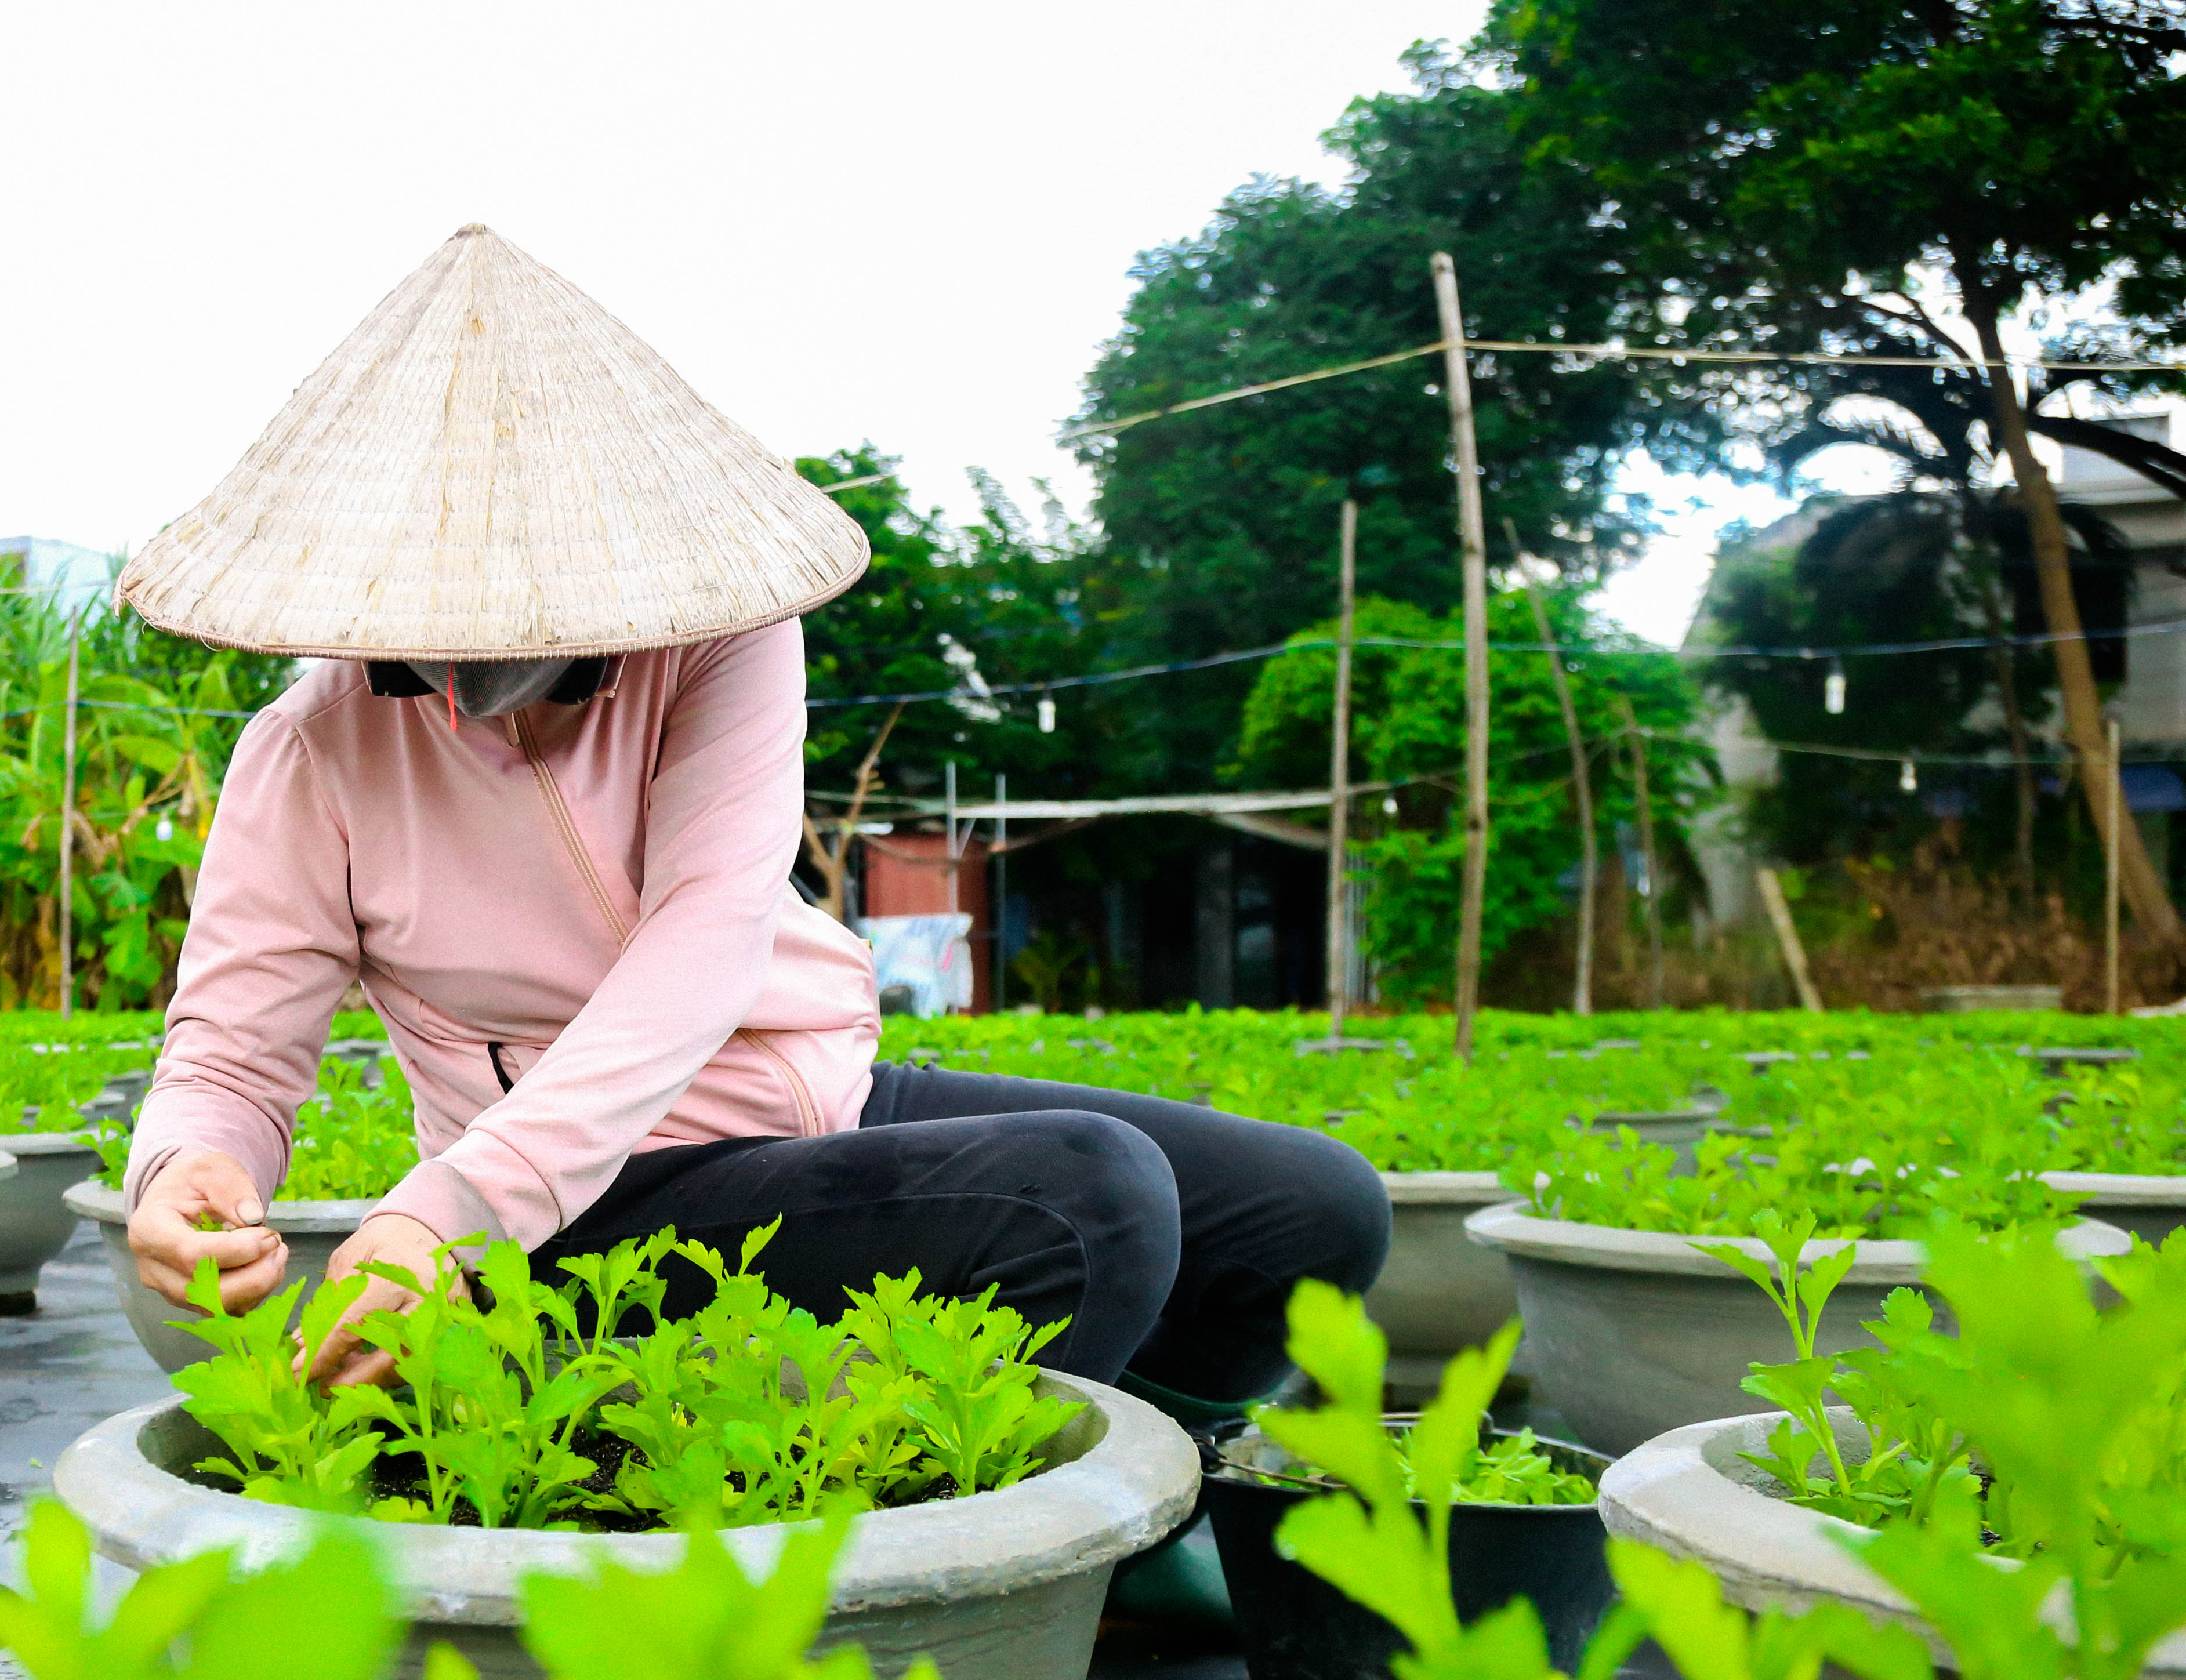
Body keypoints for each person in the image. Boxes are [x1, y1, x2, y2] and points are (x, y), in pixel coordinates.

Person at [113, 226, 1386, 1414]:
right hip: (579, 1196)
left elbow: (703, 946)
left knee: (1313, 1210)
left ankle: (1147, 1483)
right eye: (414, 643)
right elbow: (232, 1053)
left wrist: (438, 1212)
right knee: (1095, 1199)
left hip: (807, 1105)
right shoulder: (310, 752)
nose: (454, 691)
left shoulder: (721, 645)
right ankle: (986, 1524)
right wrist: (185, 1173)